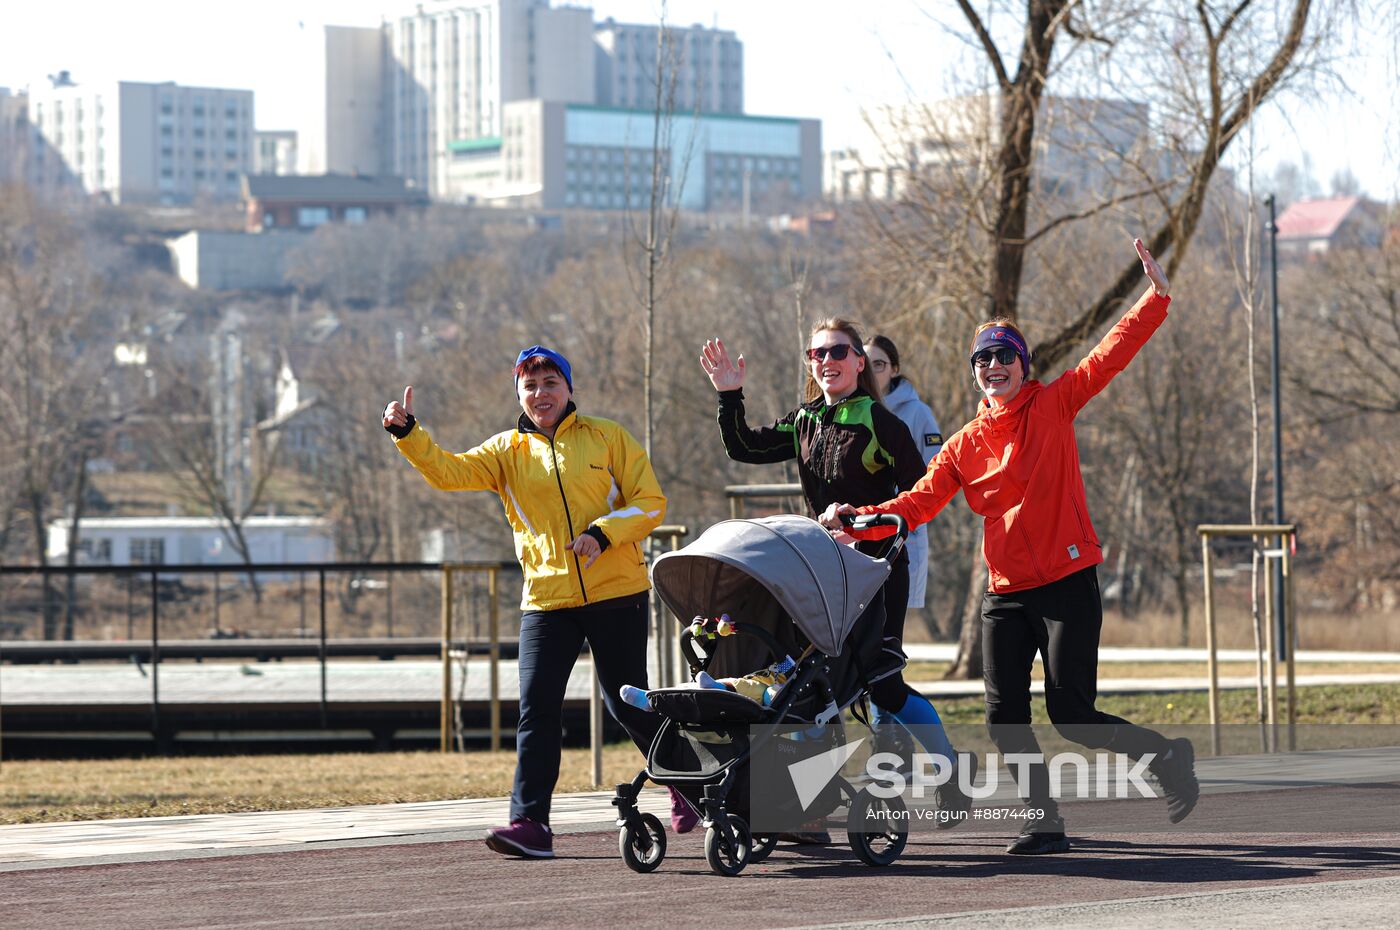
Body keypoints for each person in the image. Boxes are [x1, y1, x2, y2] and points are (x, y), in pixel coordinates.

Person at [820, 240, 1200, 855]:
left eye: (1002, 356)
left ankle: (1165, 756)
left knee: (1073, 714)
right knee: (1005, 719)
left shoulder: (1053, 406)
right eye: (981, 359)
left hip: (1065, 583)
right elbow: (916, 503)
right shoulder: (965, 445)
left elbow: (1109, 355)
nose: (991, 366)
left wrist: (1153, 300)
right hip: (1005, 591)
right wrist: (856, 520)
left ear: (1022, 363)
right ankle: (1044, 825)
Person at [382, 345, 697, 859]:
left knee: (626, 703)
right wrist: (408, 434)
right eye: (530, 386)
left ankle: (687, 785)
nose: (540, 394)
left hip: (617, 591)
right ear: (519, 395)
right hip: (546, 598)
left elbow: (650, 502)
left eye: (551, 383)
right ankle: (530, 824)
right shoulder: (506, 450)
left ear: (569, 388)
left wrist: (603, 532)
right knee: (536, 709)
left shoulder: (607, 436)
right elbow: (448, 471)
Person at [700, 319, 971, 839]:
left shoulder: (880, 422)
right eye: (817, 353)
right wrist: (730, 395)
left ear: (858, 362)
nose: (827, 361)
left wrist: (862, 516)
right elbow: (745, 447)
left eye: (838, 352)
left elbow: (924, 492)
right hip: (824, 574)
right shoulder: (806, 419)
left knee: (883, 686)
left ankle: (950, 772)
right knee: (812, 686)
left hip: (877, 570)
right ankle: (808, 809)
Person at [866, 335, 942, 616]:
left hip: (901, 531)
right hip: (858, 531)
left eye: (880, 364)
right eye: (865, 364)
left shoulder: (918, 413)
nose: (871, 372)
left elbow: (935, 473)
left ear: (894, 369)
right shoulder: (848, 409)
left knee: (891, 627)